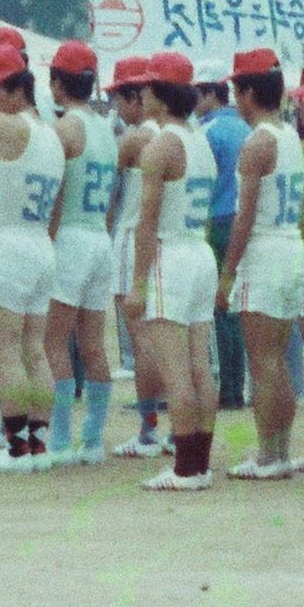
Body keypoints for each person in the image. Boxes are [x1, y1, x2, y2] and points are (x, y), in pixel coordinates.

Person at [117, 54, 220, 489]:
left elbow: (146, 221)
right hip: (198, 250)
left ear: (157, 95)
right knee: (200, 367)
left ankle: (185, 467)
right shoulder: (200, 140)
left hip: (171, 254)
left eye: (146, 87)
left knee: (177, 369)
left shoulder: (161, 146)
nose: (140, 94)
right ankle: (199, 462)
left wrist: (138, 284)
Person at [0, 36, 60, 472]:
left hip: (10, 239)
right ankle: (39, 442)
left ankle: (16, 446)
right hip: (40, 242)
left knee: (4, 350)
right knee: (33, 350)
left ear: (14, 90)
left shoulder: (6, 124)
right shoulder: (52, 132)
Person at [215, 47, 304, 481]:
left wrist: (228, 272)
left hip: (265, 252)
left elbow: (245, 216)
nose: (235, 97)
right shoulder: (289, 135)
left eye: (237, 89)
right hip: (289, 248)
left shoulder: (258, 143)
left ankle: (272, 453)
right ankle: (276, 448)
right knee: (276, 360)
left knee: (264, 361)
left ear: (249, 92)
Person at [41, 42, 119, 465]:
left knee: (53, 340)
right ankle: (92, 440)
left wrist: (47, 242)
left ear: (57, 83)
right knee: (93, 343)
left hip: (70, 235)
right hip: (97, 237)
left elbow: (54, 196)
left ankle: (60, 440)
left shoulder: (63, 129)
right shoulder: (106, 128)